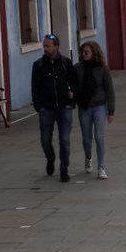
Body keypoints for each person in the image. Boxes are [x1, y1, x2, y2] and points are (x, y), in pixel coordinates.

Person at [31, 34, 78, 180]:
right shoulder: (38, 65)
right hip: (47, 108)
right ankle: (50, 157)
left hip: (64, 107)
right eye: (44, 45)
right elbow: (35, 88)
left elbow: (75, 83)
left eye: (48, 46)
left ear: (56, 47)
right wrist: (39, 107)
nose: (45, 48)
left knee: (64, 139)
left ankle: (64, 169)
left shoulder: (65, 63)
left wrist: (72, 102)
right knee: (45, 140)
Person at [74, 39, 116, 179]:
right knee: (86, 138)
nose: (84, 54)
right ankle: (88, 158)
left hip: (99, 105)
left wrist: (111, 111)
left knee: (99, 136)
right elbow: (74, 86)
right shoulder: (78, 68)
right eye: (82, 52)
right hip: (84, 106)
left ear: (94, 53)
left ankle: (101, 167)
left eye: (87, 52)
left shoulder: (102, 68)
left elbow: (109, 90)